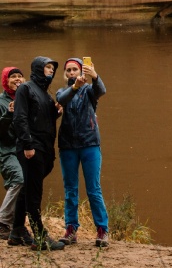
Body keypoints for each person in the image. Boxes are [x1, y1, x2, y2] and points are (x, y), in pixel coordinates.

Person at [10, 56, 64, 250]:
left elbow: (43, 118)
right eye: (47, 67)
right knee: (34, 193)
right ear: (38, 69)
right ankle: (40, 236)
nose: (51, 71)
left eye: (52, 68)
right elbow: (20, 118)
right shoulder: (26, 88)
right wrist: (27, 145)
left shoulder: (44, 92)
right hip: (32, 147)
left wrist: (56, 112)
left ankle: (16, 231)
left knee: (29, 188)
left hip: (44, 147)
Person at [56, 57, 109, 248]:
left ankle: (102, 230)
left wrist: (95, 76)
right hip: (68, 146)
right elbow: (61, 99)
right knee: (70, 189)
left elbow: (101, 91)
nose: (71, 73)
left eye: (75, 70)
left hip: (90, 144)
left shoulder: (89, 90)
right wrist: (74, 87)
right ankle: (71, 229)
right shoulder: (63, 91)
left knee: (94, 189)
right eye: (68, 70)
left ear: (81, 71)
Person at [0, 68, 26, 239]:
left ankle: (16, 226)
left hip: (24, 150)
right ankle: (2, 221)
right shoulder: (1, 102)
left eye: (19, 76)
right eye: (13, 77)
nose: (17, 79)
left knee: (22, 185)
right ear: (5, 81)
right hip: (6, 151)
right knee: (18, 179)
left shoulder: (26, 98)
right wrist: (9, 114)